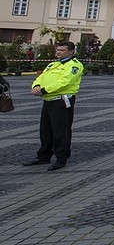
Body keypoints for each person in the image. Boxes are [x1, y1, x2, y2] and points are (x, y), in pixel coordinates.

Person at [23, 40, 84, 171]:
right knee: (45, 130)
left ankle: (61, 158)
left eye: (61, 50)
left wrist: (44, 90)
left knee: (61, 131)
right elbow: (41, 77)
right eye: (57, 50)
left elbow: (65, 82)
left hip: (61, 101)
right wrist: (36, 86)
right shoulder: (53, 64)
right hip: (48, 101)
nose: (58, 52)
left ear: (71, 52)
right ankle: (43, 155)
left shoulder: (74, 65)